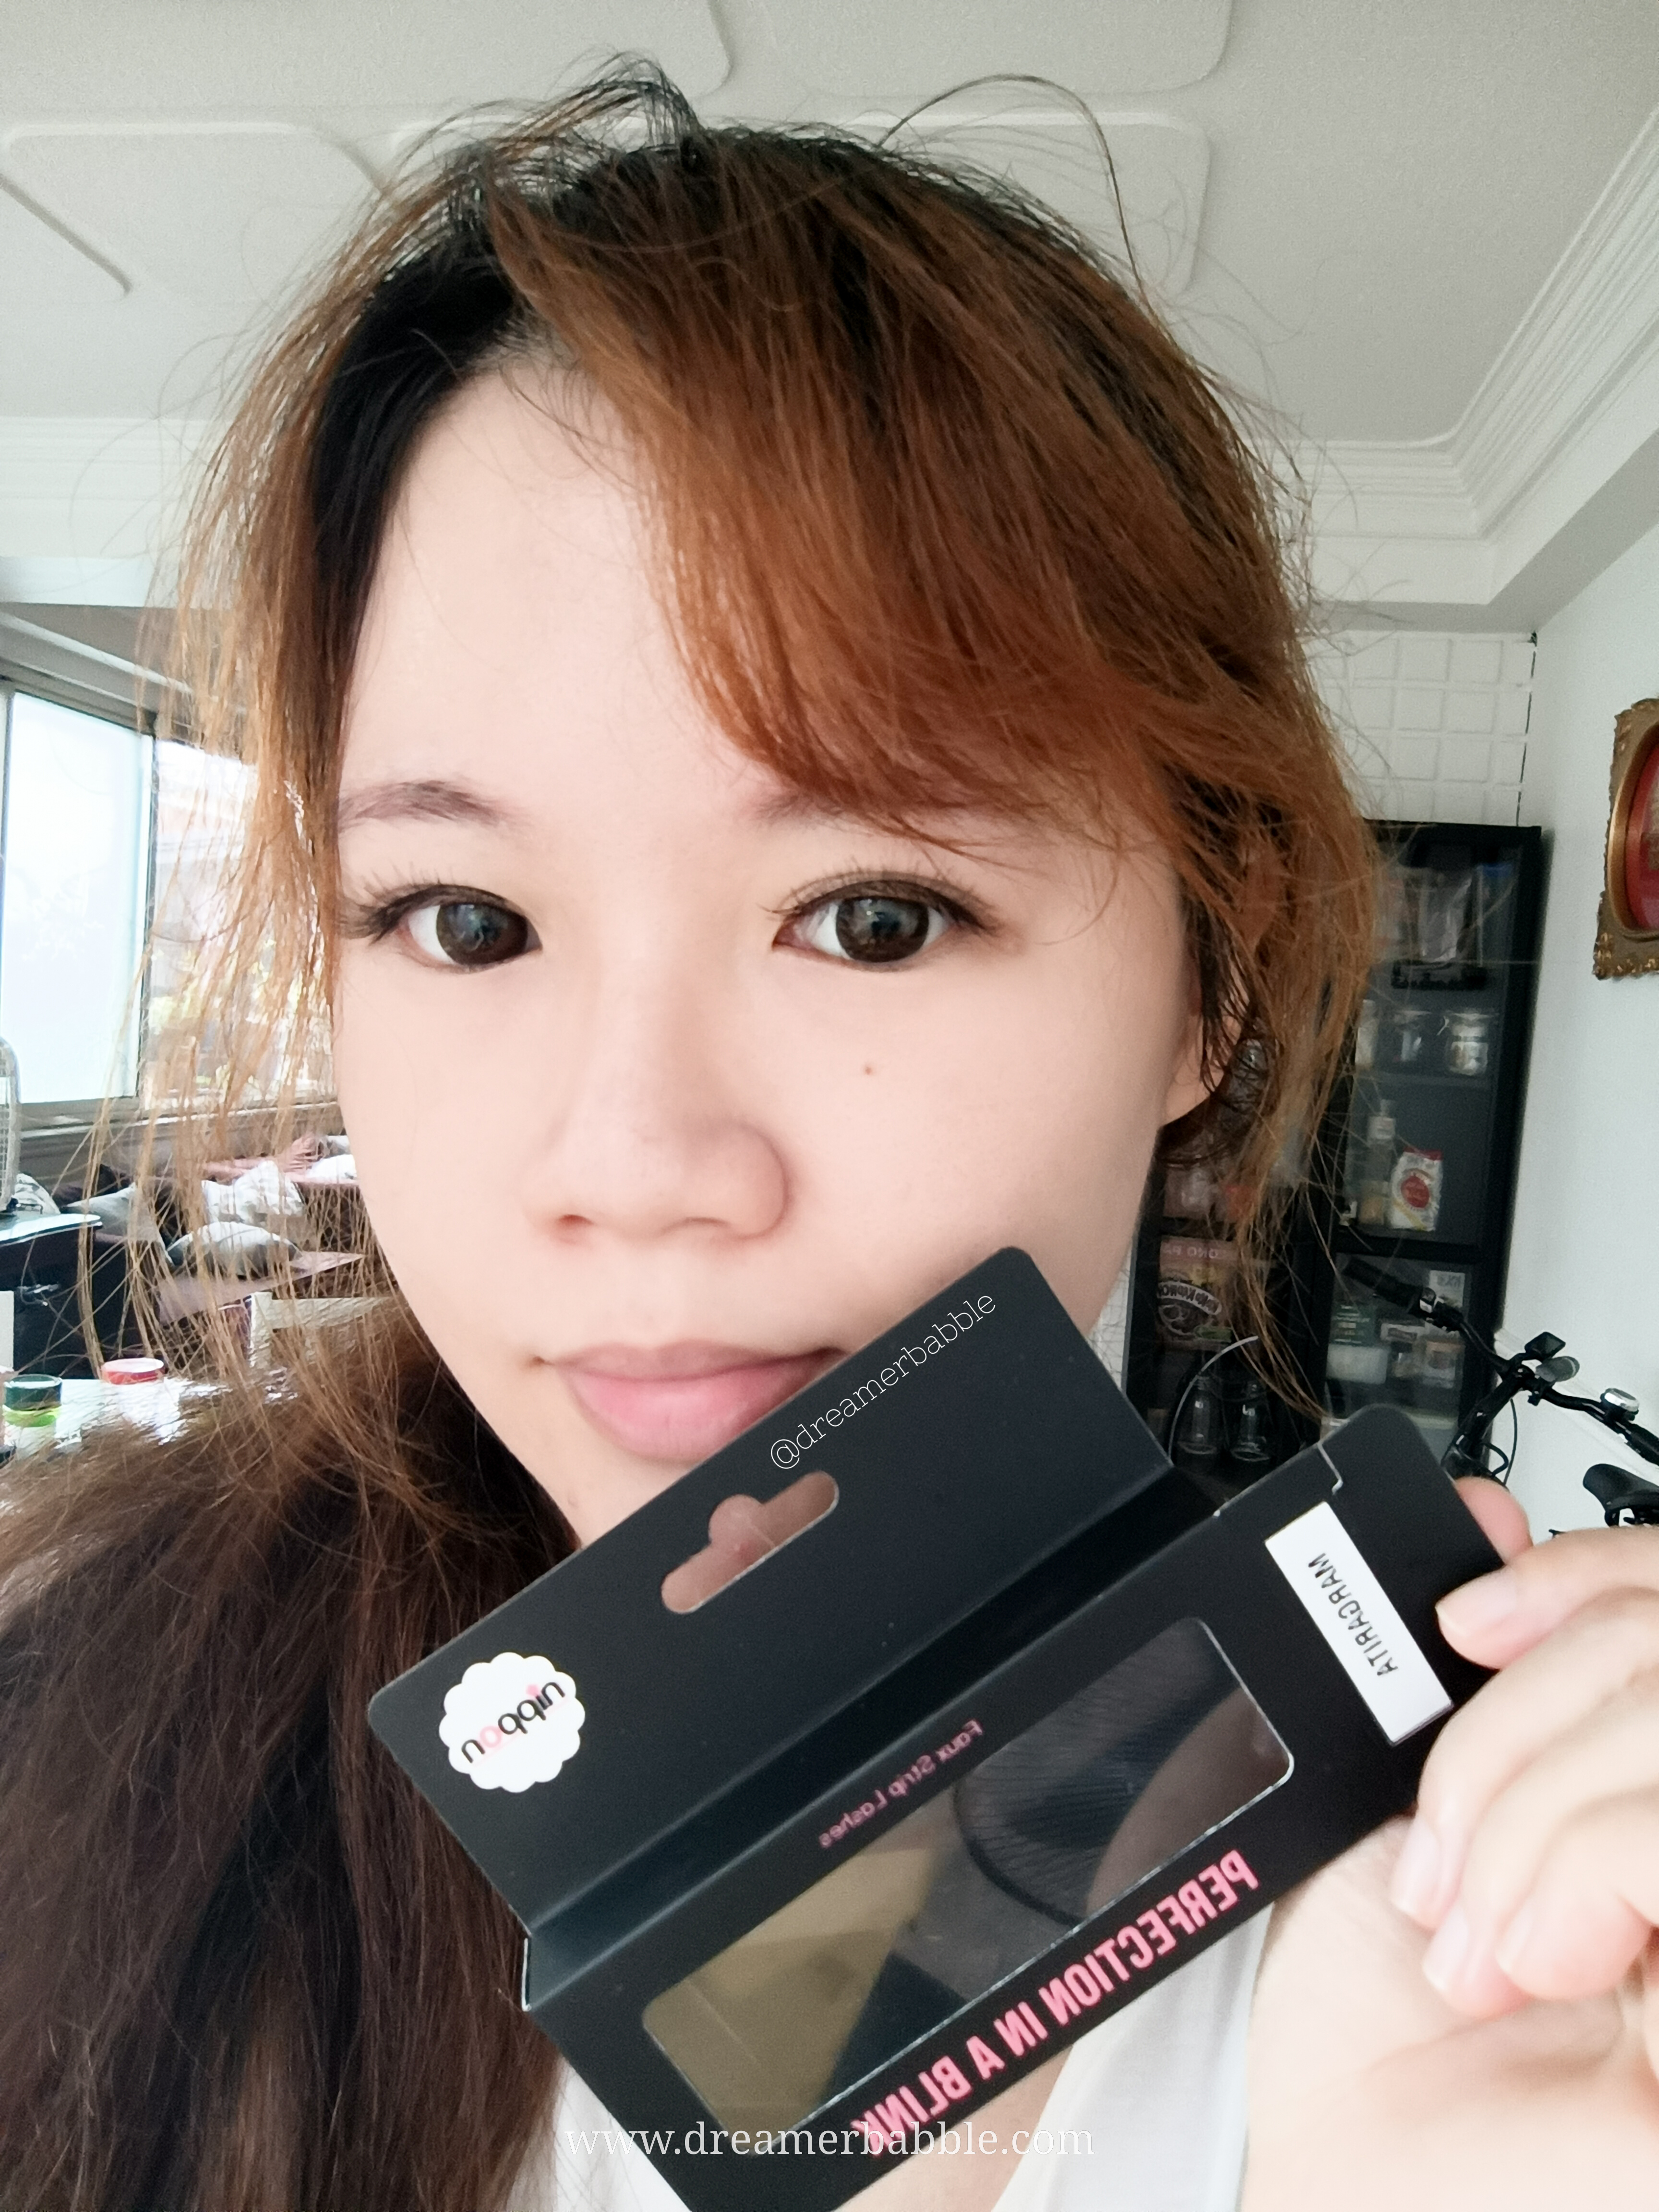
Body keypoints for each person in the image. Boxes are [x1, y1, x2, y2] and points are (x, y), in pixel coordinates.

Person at [2, 66, 1656, 2212]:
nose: (632, 1162)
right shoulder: (71, 1767)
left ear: (1216, 980)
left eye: (872, 916)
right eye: (466, 920)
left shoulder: (1490, 1945)